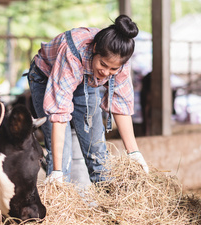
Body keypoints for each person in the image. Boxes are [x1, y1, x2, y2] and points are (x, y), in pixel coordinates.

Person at [28, 15, 149, 184]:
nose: (106, 72)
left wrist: (134, 152)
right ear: (94, 50)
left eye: (113, 69)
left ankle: (108, 205)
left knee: (98, 150)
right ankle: (59, 194)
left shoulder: (120, 62)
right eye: (104, 64)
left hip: (87, 80)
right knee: (62, 158)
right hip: (47, 77)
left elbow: (121, 105)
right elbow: (59, 116)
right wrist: (57, 170)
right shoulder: (72, 54)